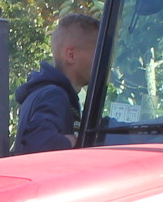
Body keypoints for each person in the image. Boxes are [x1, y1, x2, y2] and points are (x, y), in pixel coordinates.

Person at [14, 13, 101, 153]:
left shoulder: (45, 93)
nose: (103, 62)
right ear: (71, 55)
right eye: (98, 53)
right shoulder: (54, 95)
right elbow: (38, 144)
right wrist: (74, 141)